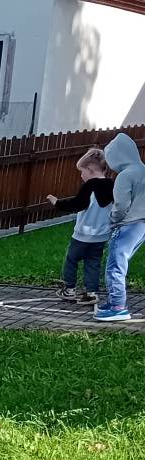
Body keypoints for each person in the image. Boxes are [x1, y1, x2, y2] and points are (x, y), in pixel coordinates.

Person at [45, 147, 113, 304]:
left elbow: (77, 204)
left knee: (71, 259)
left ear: (90, 169)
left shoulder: (89, 186)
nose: (81, 176)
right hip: (101, 235)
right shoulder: (112, 185)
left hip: (82, 234)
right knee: (93, 263)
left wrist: (57, 203)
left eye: (82, 171)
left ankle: (69, 289)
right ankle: (92, 293)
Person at [95, 133, 145, 322]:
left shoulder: (125, 176)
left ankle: (118, 307)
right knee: (121, 262)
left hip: (128, 225)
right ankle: (114, 302)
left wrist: (112, 220)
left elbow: (121, 205)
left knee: (115, 266)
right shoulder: (143, 170)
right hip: (142, 225)